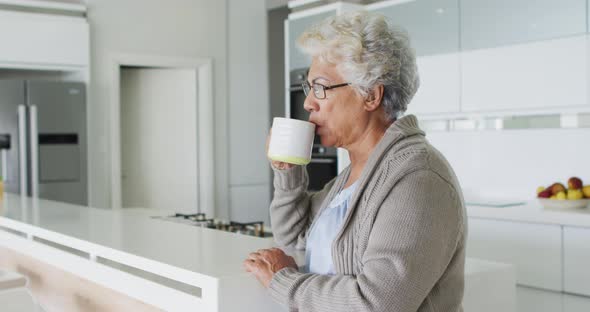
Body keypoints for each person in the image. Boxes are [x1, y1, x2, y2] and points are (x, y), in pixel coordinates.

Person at [244, 10, 467, 312]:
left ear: (371, 96)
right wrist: (288, 170)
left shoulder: (419, 178)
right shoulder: (350, 177)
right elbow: (294, 240)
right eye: (310, 88)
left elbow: (376, 303)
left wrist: (283, 281)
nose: (308, 102)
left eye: (320, 88)